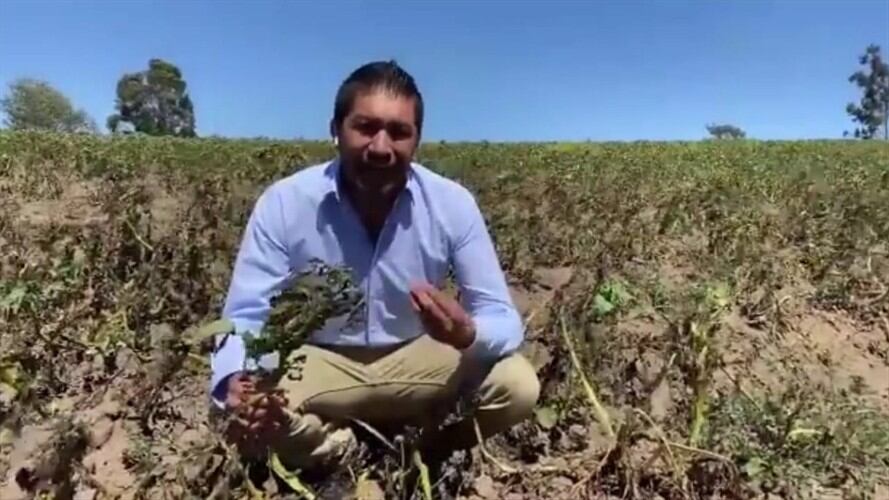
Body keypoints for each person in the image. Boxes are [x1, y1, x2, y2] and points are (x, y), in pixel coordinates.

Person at [210, 60, 540, 470]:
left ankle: (427, 450)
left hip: (417, 359)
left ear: (417, 140)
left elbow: (502, 318)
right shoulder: (285, 203)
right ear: (335, 129)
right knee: (238, 412)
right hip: (318, 361)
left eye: (399, 132)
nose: (381, 147)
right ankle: (333, 450)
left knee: (518, 387)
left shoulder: (452, 204)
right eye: (365, 127)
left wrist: (467, 332)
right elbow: (246, 315)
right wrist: (236, 382)